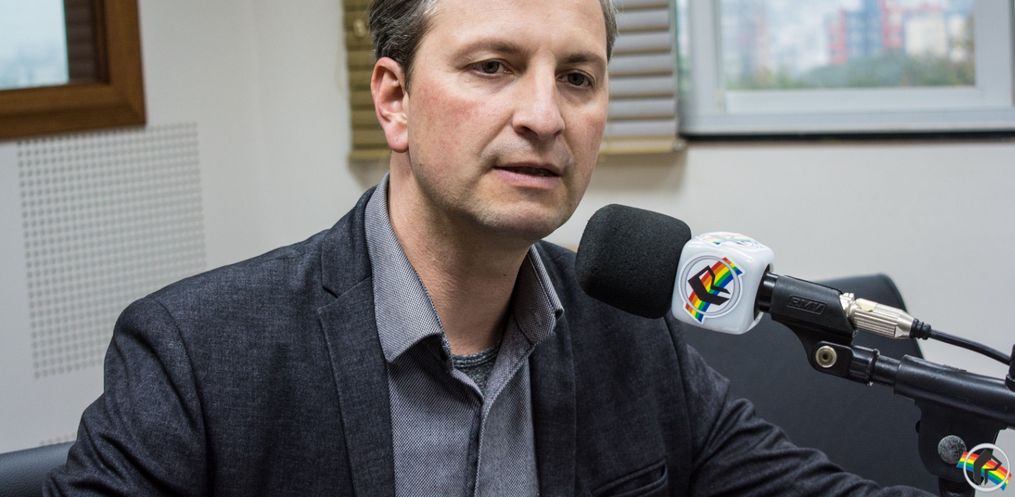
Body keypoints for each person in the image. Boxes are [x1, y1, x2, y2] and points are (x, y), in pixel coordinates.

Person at [45, 0, 933, 495]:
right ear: (393, 100)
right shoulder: (199, 353)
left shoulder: (626, 328)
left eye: (576, 77)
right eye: (491, 66)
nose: (544, 116)